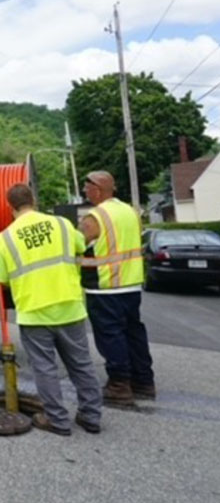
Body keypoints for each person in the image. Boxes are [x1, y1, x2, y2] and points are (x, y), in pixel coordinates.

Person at [0, 183, 102, 436]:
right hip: (69, 307)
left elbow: (0, 280)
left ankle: (58, 420)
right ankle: (91, 417)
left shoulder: (5, 238)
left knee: (45, 368)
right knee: (81, 365)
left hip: (34, 312)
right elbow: (81, 246)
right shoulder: (62, 224)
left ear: (9, 207)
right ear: (34, 200)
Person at [79, 171, 155, 404]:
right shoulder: (130, 212)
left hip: (105, 286)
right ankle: (143, 381)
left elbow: (78, 244)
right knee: (133, 332)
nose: (84, 191)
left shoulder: (95, 217)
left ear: (98, 190)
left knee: (111, 335)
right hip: (131, 285)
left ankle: (119, 385)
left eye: (87, 187)